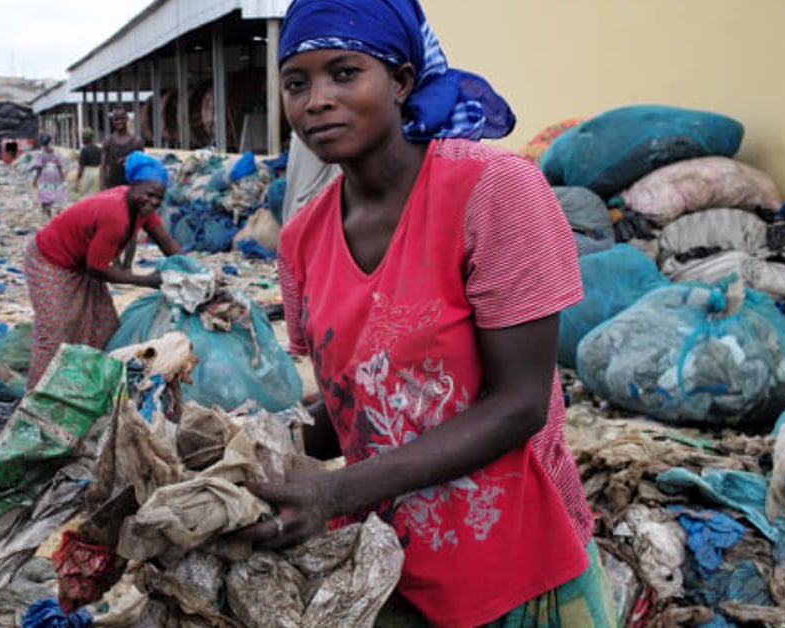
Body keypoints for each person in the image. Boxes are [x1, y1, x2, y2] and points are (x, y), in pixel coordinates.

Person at [235, 1, 615, 626]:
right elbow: (351, 405)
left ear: (403, 81)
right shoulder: (303, 237)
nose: (316, 100)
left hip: (515, 563)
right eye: (296, 83)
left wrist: (334, 490)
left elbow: (520, 403)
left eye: (344, 72)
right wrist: (249, 447)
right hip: (388, 565)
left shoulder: (494, 190)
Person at [24, 151, 183, 389]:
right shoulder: (115, 215)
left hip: (80, 263)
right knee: (55, 331)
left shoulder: (142, 211)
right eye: (149, 195)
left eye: (159, 198)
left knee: (104, 325)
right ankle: (37, 397)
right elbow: (97, 269)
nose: (153, 202)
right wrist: (146, 280)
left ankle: (89, 386)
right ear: (133, 186)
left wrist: (194, 271)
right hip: (51, 260)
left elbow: (166, 242)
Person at [100, 108, 145, 190]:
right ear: (112, 121)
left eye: (121, 118)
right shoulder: (108, 140)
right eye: (116, 119)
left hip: (130, 186)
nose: (119, 122)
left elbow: (141, 166)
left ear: (127, 119)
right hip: (112, 186)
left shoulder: (136, 141)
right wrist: (102, 186)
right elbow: (103, 166)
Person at [32, 134, 66, 218]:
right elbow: (59, 165)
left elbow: (39, 167)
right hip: (55, 173)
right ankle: (57, 210)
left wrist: (35, 179)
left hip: (45, 173)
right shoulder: (55, 152)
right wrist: (62, 176)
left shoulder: (40, 153)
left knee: (44, 190)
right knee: (55, 189)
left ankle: (47, 212)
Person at [75, 128, 103, 200]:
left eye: (82, 137)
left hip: (87, 174)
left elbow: (81, 167)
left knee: (85, 197)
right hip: (98, 173)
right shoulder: (99, 149)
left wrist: (77, 179)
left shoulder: (84, 150)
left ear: (85, 138)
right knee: (96, 196)